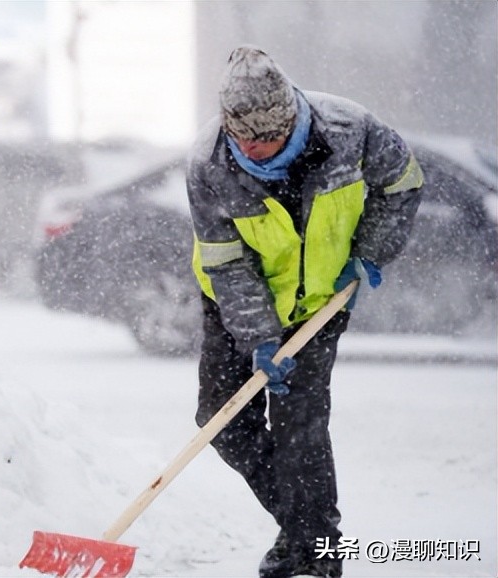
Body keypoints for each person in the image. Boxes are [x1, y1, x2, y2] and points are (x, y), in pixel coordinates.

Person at [187, 46, 424, 578]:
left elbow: (402, 181)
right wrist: (259, 337)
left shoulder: (349, 128)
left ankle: (315, 554)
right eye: (245, 140)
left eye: (268, 138)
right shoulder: (207, 164)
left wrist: (370, 249)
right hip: (235, 301)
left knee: (301, 429)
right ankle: (307, 534)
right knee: (221, 423)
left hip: (319, 300)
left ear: (291, 116)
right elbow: (226, 261)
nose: (258, 149)